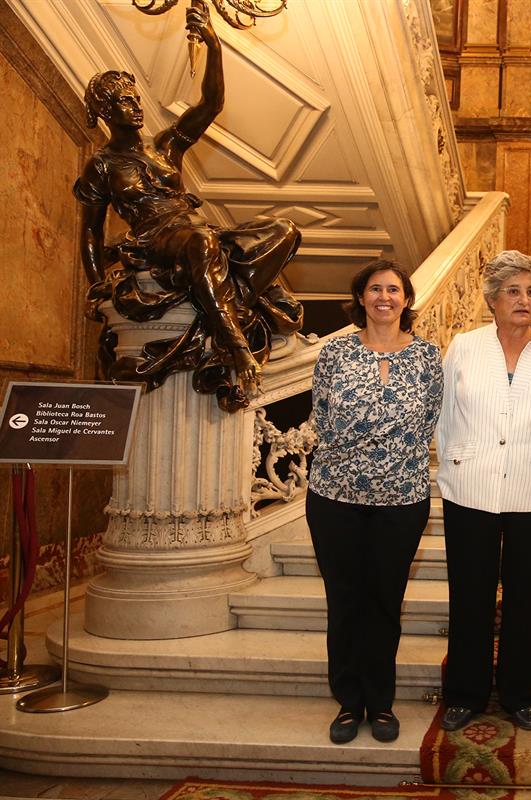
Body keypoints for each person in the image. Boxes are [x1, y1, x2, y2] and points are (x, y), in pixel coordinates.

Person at [74, 2, 303, 412]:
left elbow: (211, 104)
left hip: (191, 227)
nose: (136, 104)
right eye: (125, 101)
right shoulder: (102, 165)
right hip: (153, 239)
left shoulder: (166, 146)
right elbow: (91, 230)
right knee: (201, 242)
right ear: (107, 111)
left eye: (135, 96)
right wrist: (95, 283)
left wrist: (214, 44)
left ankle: (220, 300)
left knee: (284, 230)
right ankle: (233, 340)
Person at [306, 260, 442, 744]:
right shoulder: (335, 352)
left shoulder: (428, 356)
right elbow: (322, 418)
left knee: (385, 601)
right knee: (344, 600)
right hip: (334, 496)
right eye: (375, 289)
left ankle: (380, 702)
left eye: (394, 289)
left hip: (401, 499)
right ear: (360, 298)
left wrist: (388, 457)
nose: (384, 296)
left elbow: (429, 421)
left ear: (406, 299)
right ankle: (348, 702)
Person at [436, 251, 531, 733]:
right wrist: (454, 466)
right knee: (469, 593)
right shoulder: (464, 347)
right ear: (491, 299)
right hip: (469, 488)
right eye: (513, 291)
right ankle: (465, 693)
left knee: (527, 598)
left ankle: (519, 694)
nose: (524, 300)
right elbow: (445, 417)